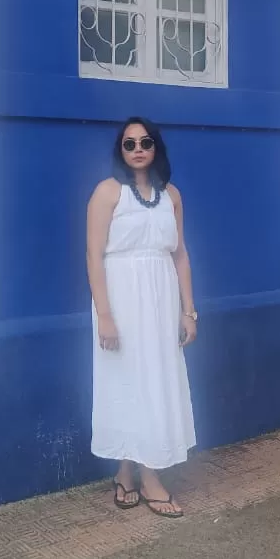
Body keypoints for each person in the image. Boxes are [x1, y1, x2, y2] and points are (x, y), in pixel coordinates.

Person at [86, 117, 198, 518]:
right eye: (129, 143)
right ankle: (125, 473)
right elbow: (94, 256)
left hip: (161, 298)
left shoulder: (172, 196)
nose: (137, 149)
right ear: (121, 149)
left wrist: (189, 311)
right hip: (122, 299)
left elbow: (180, 254)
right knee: (124, 382)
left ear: (156, 147)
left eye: (144, 142)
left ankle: (150, 474)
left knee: (157, 381)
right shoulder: (107, 193)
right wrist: (105, 315)